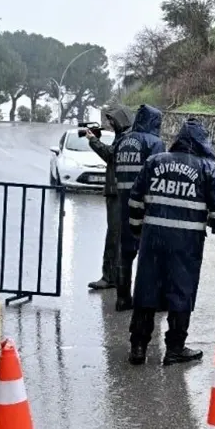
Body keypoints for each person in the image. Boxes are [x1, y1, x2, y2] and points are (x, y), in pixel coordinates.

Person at [126, 118, 215, 366]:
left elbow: (135, 199)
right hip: (185, 243)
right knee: (181, 292)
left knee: (146, 290)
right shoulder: (209, 169)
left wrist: (136, 230)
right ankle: (174, 348)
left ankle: (138, 347)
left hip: (153, 239)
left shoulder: (155, 162)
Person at [111, 104, 165, 312]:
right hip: (147, 205)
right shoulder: (154, 142)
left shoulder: (123, 141)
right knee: (151, 254)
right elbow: (159, 172)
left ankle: (122, 298)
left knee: (125, 252)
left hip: (124, 201)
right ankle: (151, 300)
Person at [84, 104, 133, 291]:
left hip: (117, 192)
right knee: (116, 236)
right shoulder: (123, 138)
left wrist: (93, 140)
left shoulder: (125, 139)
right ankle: (115, 276)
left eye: (113, 121)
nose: (111, 124)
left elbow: (110, 155)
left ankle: (110, 277)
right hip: (117, 191)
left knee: (114, 236)